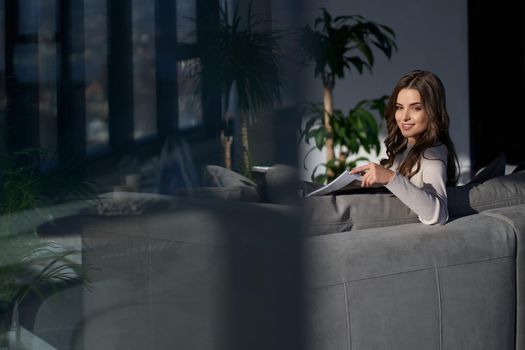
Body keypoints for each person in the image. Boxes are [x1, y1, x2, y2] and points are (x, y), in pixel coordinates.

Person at [350, 69, 459, 225]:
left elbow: (439, 213)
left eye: (416, 108)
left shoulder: (432, 154)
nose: (404, 117)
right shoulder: (407, 146)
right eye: (400, 107)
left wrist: (389, 177)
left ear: (433, 110)